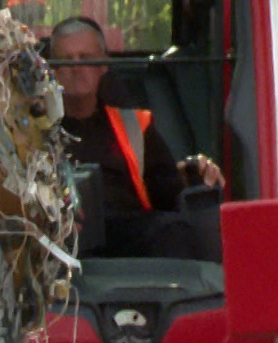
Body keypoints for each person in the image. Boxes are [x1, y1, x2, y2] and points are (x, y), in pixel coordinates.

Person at [49, 17, 225, 260]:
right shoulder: (31, 131)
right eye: (66, 61)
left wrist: (193, 172)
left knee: (180, 233)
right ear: (51, 70)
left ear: (103, 65)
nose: (76, 68)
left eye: (86, 58)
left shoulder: (135, 126)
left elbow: (168, 191)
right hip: (59, 245)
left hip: (130, 247)